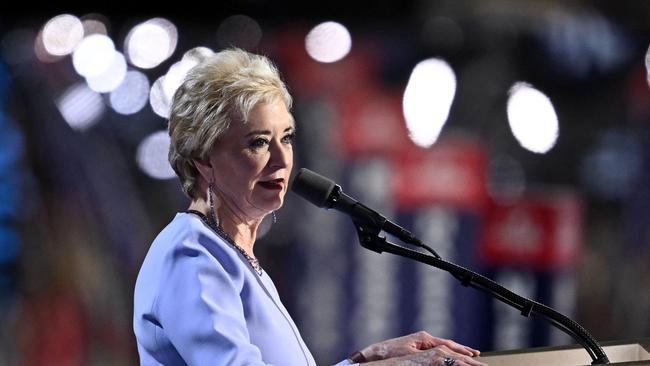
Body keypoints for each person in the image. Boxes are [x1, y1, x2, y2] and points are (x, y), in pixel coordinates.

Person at [133, 48, 487, 366]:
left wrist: (368, 360)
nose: (281, 159)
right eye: (258, 143)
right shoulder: (191, 257)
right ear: (202, 159)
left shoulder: (230, 253)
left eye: (285, 137)